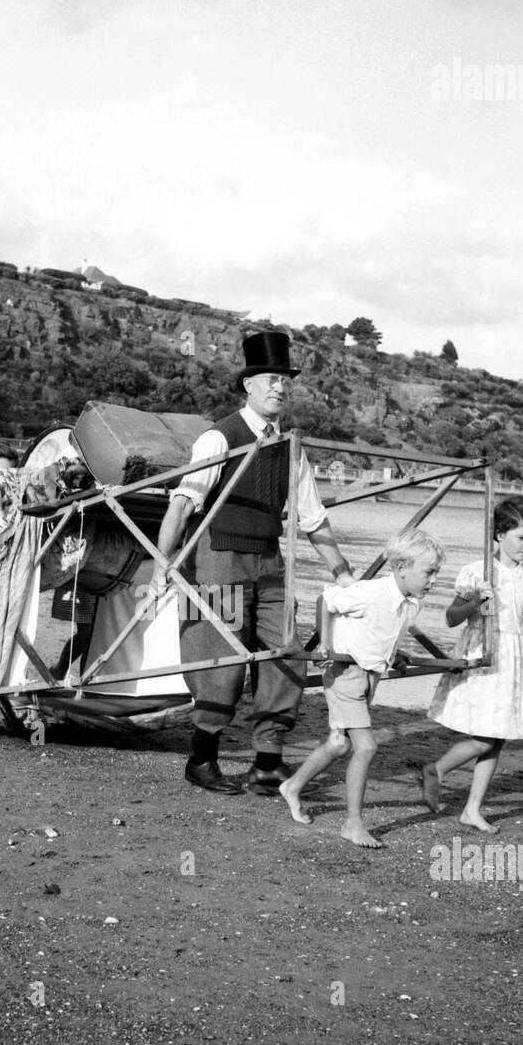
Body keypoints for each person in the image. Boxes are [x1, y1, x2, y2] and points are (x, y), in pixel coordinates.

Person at [154, 331, 356, 795]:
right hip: (218, 557)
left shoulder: (290, 445)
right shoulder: (218, 437)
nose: (279, 388)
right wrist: (163, 566)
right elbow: (183, 504)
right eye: (270, 379)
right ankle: (201, 760)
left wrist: (342, 573)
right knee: (218, 656)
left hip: (269, 560)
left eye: (285, 381)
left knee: (285, 650)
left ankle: (267, 763)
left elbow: (312, 518)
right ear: (248, 385)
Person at [280, 530, 444, 847]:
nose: (434, 581)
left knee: (339, 745)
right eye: (429, 572)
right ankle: (353, 824)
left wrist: (395, 656)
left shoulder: (411, 604)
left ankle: (292, 786)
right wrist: (326, 646)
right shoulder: (370, 592)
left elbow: (383, 634)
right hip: (345, 674)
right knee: (366, 747)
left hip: (370, 678)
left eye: (436, 573)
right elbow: (326, 601)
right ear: (402, 568)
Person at [422, 495, 523, 832]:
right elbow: (451, 618)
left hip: (512, 660)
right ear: (499, 535)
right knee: (485, 737)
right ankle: (436, 770)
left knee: (498, 737)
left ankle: (471, 808)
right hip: (483, 654)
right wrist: (475, 601)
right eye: (522, 538)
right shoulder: (478, 572)